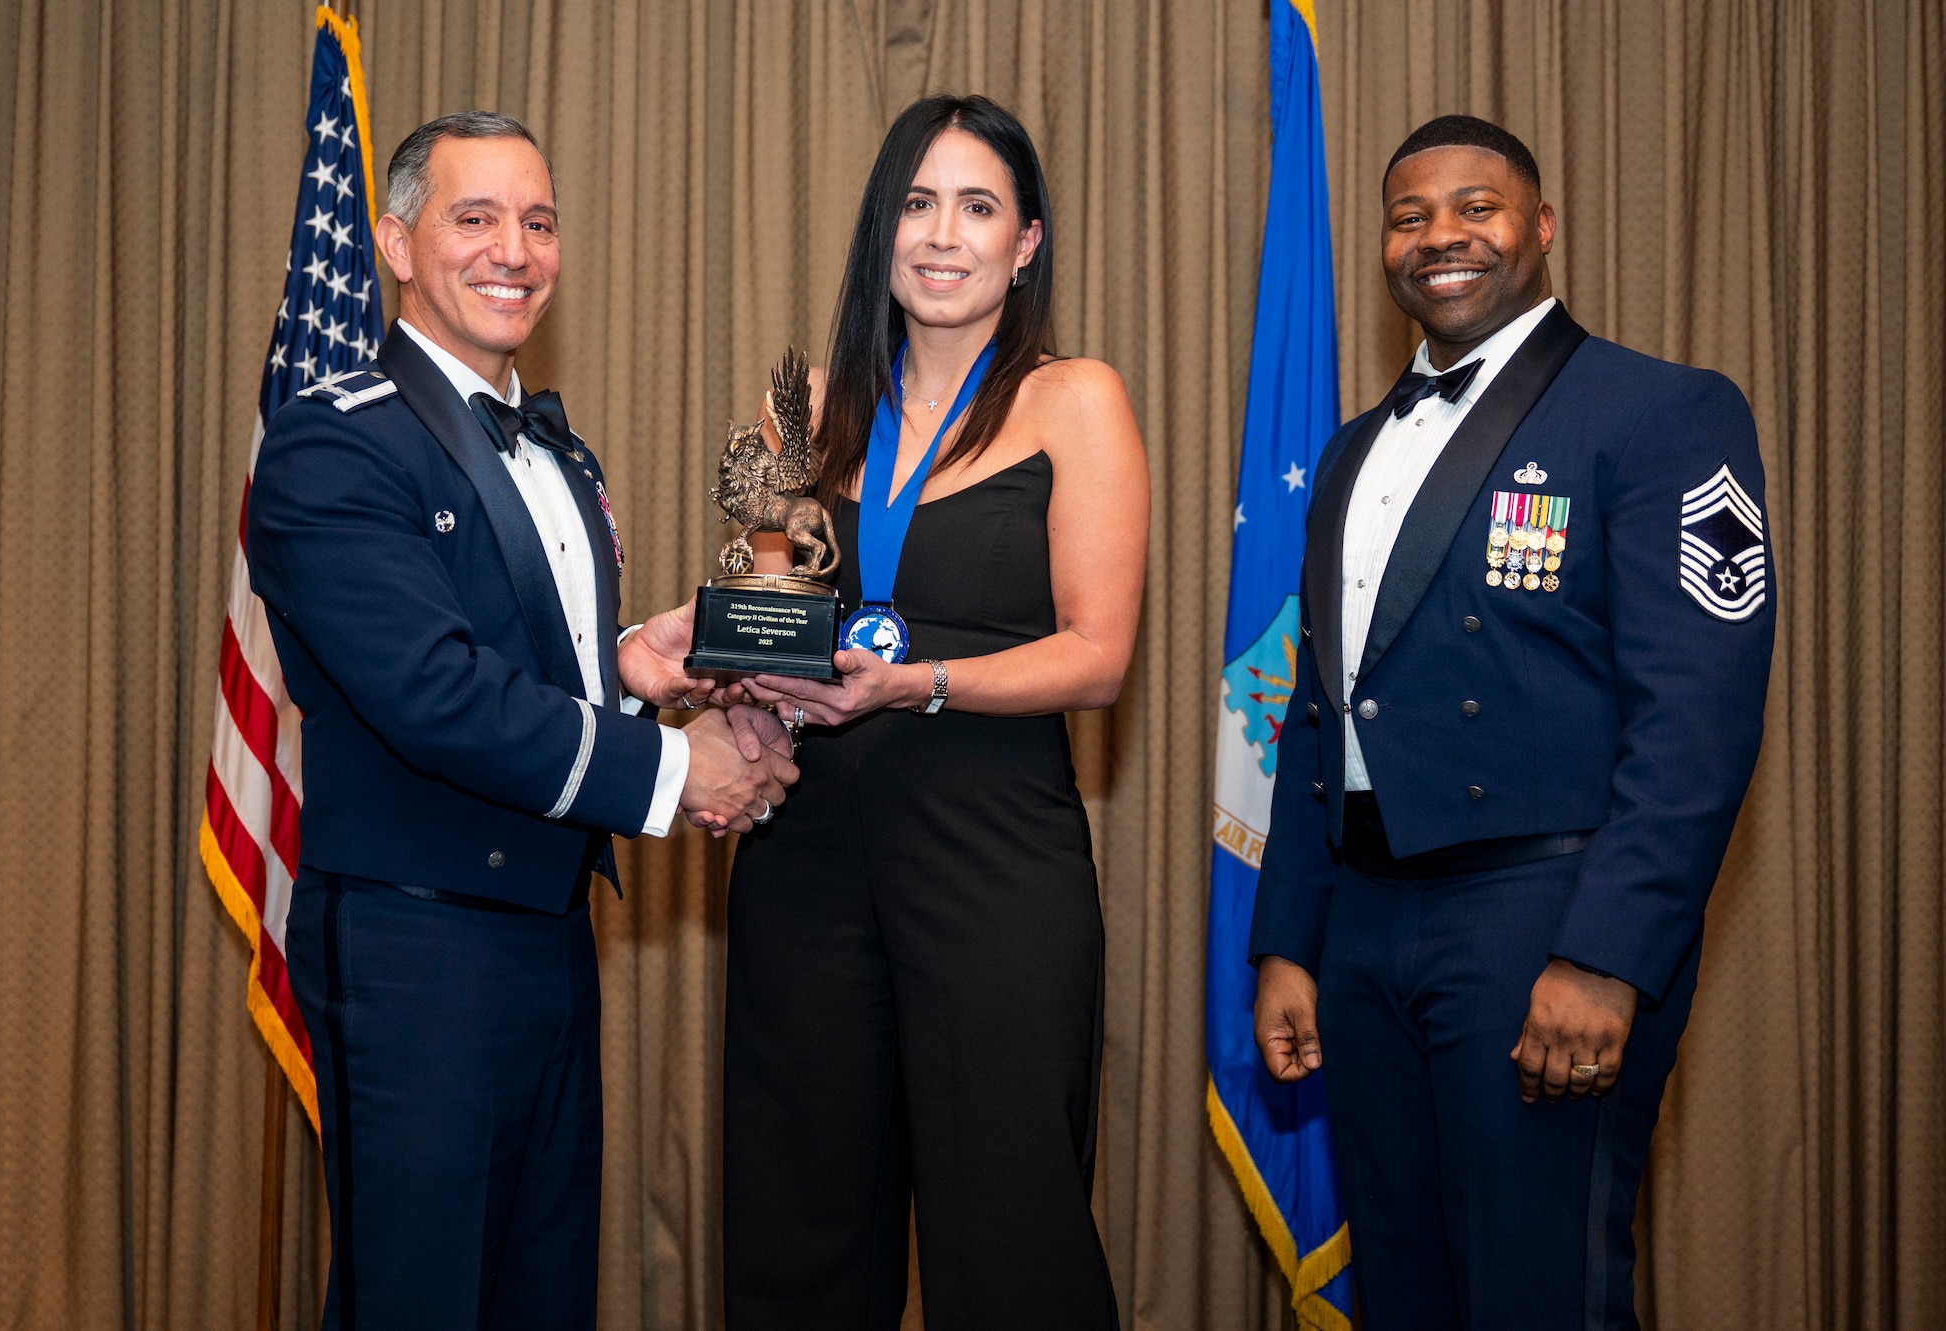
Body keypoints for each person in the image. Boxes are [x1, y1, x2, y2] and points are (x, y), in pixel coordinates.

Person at [246, 111, 796, 1331]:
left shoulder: (563, 450)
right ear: (394, 242)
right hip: (411, 946)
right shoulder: (329, 443)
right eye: (475, 217)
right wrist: (674, 770)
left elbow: (517, 672)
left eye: (538, 221)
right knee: (421, 1299)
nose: (515, 249)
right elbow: (434, 694)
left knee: (539, 1294)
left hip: (550, 939)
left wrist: (638, 665)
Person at [1248, 115, 1775, 1328]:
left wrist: (1605, 954)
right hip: (1366, 924)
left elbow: (1695, 718)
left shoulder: (1659, 411)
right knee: (1403, 1284)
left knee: (1539, 1290)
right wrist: (1289, 936)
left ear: (1539, 227)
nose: (1440, 236)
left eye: (1474, 208)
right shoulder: (1347, 454)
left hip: (1541, 915)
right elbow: (1318, 713)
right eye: (1408, 215)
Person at [717, 95, 1148, 1329]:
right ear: (880, 231)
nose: (941, 234)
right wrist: (731, 686)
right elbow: (766, 617)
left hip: (992, 867)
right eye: (915, 203)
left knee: (1011, 1247)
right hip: (804, 864)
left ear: (1025, 242)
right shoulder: (796, 402)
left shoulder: (1077, 399)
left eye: (976, 206)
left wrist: (921, 681)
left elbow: (1099, 655)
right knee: (795, 1242)